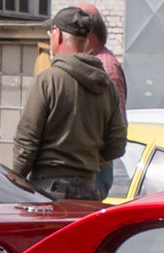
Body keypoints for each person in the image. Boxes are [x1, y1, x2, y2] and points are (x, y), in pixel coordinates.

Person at [11, 6, 126, 201]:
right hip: (89, 191)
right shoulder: (106, 85)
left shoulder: (48, 80)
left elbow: (27, 142)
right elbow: (117, 144)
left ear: (58, 36)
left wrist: (15, 180)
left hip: (49, 190)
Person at [76, 3, 127, 198]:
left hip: (94, 171)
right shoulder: (89, 62)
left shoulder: (105, 66)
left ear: (88, 32)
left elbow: (118, 125)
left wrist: (98, 158)